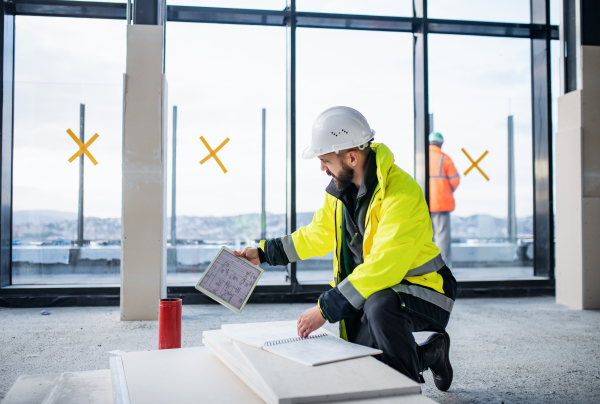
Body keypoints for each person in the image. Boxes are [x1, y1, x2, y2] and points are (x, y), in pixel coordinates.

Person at [235, 107, 457, 391]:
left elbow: (384, 266)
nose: (321, 168)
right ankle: (431, 354)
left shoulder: (401, 194)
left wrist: (325, 309)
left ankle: (404, 393)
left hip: (430, 291)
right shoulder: (341, 192)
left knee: (379, 306)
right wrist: (264, 253)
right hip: (379, 288)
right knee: (362, 358)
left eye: (325, 160)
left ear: (351, 156)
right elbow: (318, 234)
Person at [428, 132, 460, 268]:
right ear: (441, 143)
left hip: (424, 202)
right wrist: (447, 190)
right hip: (441, 202)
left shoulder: (422, 157)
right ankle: (442, 268)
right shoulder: (444, 159)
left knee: (426, 237)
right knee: (441, 237)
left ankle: (427, 268)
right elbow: (455, 180)